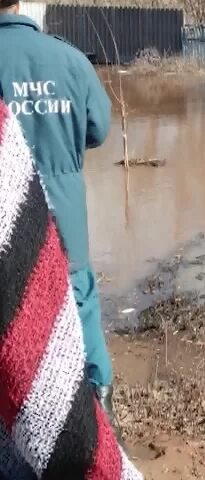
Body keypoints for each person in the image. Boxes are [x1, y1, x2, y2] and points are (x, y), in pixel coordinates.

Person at [0, 0, 120, 437]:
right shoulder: (71, 63)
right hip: (66, 254)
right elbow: (97, 131)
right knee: (85, 378)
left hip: (5, 264)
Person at [0, 94, 142, 478]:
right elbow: (99, 128)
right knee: (78, 319)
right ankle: (101, 406)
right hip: (57, 223)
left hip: (24, 226)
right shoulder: (71, 64)